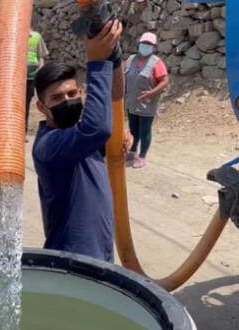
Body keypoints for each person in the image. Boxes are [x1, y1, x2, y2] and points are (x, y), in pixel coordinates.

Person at [32, 20, 124, 262]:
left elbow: (106, 121)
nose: (68, 100)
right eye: (57, 97)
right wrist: (97, 62)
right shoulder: (49, 146)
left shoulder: (78, 136)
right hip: (72, 260)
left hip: (99, 253)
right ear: (42, 107)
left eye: (72, 93)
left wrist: (113, 57)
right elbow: (97, 128)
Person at [124, 32, 169, 168]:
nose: (146, 46)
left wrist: (151, 93)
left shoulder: (157, 63)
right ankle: (132, 152)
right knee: (133, 129)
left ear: (154, 47)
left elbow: (164, 81)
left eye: (149, 44)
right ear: (139, 44)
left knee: (145, 131)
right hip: (132, 101)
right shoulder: (131, 59)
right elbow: (122, 74)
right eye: (144, 43)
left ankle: (142, 157)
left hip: (147, 103)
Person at [25, 29, 49, 138]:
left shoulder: (36, 37)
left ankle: (22, 132)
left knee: (25, 105)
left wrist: (40, 74)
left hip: (30, 78)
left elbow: (41, 57)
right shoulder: (13, 33)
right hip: (14, 77)